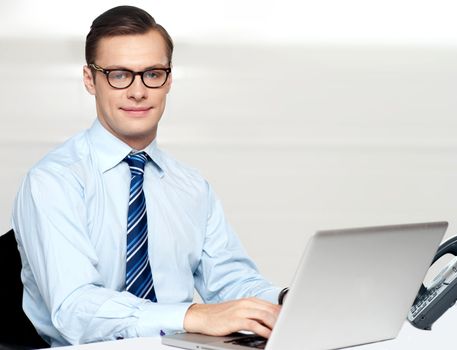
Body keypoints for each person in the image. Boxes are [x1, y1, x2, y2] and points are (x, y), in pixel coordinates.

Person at [11, 5, 286, 347]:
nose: (138, 91)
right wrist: (192, 315)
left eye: (152, 74)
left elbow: (231, 281)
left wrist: (285, 301)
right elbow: (74, 308)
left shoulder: (192, 187)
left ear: (168, 79)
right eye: (118, 74)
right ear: (89, 80)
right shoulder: (53, 181)